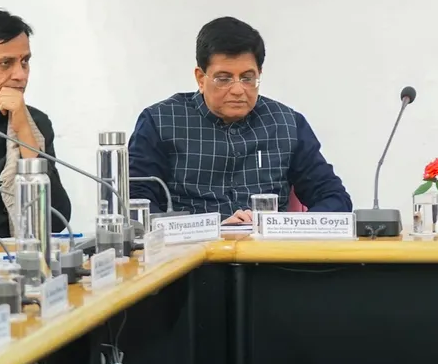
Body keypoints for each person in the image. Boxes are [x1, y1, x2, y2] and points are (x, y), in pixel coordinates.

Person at [128, 16, 351, 223]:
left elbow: (334, 198)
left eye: (247, 78)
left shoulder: (287, 124)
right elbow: (136, 206)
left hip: (269, 257)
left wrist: (285, 226)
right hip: (193, 258)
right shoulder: (160, 121)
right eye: (223, 79)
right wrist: (210, 228)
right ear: (200, 78)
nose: (238, 90)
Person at [0, 9, 72, 241]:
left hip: (17, 263)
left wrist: (24, 132)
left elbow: (56, 221)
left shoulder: (36, 123)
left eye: (25, 62)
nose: (20, 75)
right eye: (5, 63)